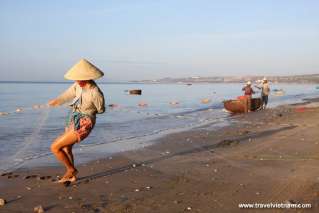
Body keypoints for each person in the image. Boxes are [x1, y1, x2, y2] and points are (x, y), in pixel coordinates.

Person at [48, 59, 105, 183]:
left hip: (85, 123)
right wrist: (56, 101)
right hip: (73, 119)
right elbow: (67, 95)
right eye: (76, 79)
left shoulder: (96, 93)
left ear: (88, 78)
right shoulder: (77, 85)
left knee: (55, 147)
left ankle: (71, 170)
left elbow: (101, 110)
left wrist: (87, 111)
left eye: (80, 79)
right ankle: (73, 176)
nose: (77, 81)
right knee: (67, 148)